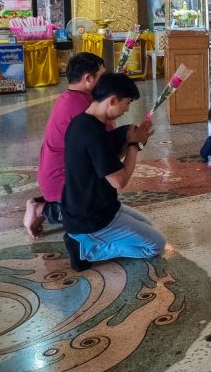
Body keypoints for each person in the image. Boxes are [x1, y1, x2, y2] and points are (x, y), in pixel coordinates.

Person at [61, 73, 161, 271]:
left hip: (92, 207)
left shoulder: (82, 122)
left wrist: (137, 140)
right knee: (156, 245)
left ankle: (84, 240)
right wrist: (133, 145)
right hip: (92, 218)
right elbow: (120, 181)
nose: (127, 109)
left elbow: (108, 161)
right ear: (113, 100)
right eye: (127, 103)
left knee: (148, 225)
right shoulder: (93, 135)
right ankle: (85, 248)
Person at [24, 52, 106, 237]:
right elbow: (106, 144)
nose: (105, 81)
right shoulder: (81, 107)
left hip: (55, 178)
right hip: (61, 182)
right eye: (103, 76)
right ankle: (42, 209)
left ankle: (49, 204)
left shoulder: (71, 97)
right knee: (98, 214)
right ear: (88, 79)